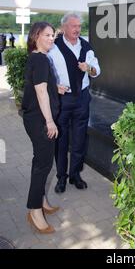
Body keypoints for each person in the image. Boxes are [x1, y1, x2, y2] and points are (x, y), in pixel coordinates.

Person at [48, 12, 100, 193]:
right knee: (60, 140)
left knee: (79, 139)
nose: (77, 29)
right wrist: (54, 86)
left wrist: (89, 68)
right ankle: (61, 177)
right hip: (62, 100)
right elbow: (44, 75)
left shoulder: (87, 47)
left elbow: (97, 71)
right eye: (73, 26)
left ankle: (75, 175)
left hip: (82, 98)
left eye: (79, 26)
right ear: (63, 28)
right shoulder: (53, 48)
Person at [22, 22, 62, 234]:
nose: (51, 39)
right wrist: (49, 121)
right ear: (36, 36)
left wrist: (57, 88)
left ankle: (42, 199)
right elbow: (40, 92)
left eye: (53, 35)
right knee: (44, 164)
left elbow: (40, 85)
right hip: (40, 120)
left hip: (33, 117)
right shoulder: (41, 59)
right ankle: (34, 210)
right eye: (47, 35)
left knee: (41, 161)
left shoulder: (37, 58)